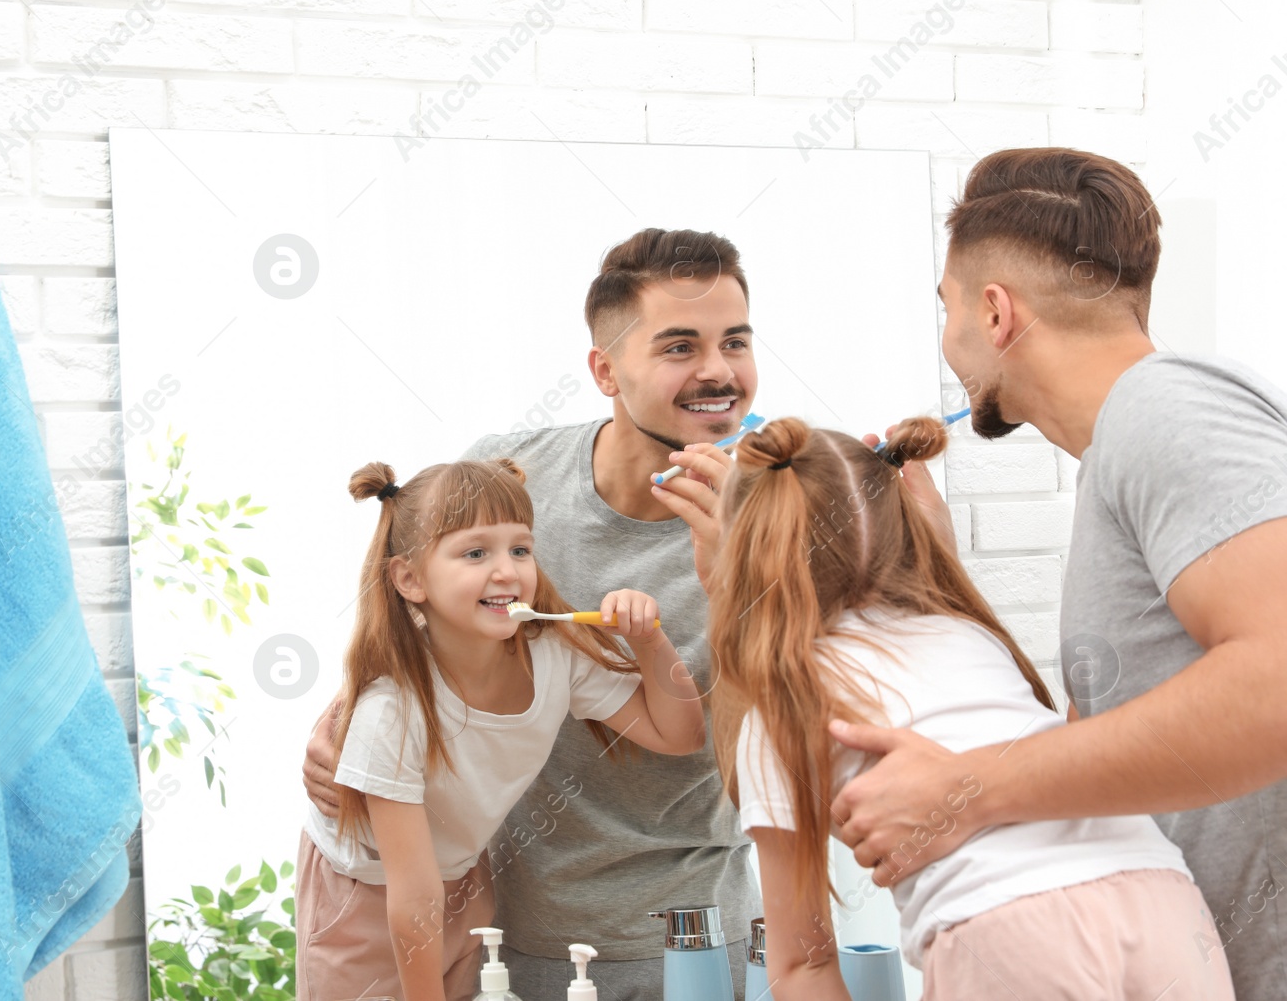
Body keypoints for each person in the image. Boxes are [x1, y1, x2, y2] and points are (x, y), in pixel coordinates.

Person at [817, 148, 1287, 1000]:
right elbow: (1114, 747)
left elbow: (1279, 678)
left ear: (995, 313)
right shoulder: (1127, 452)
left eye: (948, 309)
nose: (950, 341)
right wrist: (938, 571)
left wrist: (967, 789)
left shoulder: (1166, 408)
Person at [303, 228, 762, 999]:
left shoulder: (777, 517)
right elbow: (418, 624)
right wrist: (347, 724)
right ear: (605, 370)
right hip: (497, 926)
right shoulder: (512, 478)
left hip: (689, 931)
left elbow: (771, 754)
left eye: (736, 342)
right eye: (680, 346)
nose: (718, 372)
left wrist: (735, 580)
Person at [706, 413, 1234, 999]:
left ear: (741, 550)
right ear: (902, 522)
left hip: (1006, 929)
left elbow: (802, 964)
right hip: (1164, 900)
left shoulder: (783, 706)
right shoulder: (970, 636)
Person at [295, 455, 705, 1001]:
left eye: (520, 549)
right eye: (475, 553)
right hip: (364, 894)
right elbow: (412, 894)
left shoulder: (554, 653)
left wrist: (650, 641)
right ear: (410, 578)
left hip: (464, 877)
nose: (508, 571)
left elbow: (681, 735)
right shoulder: (392, 709)